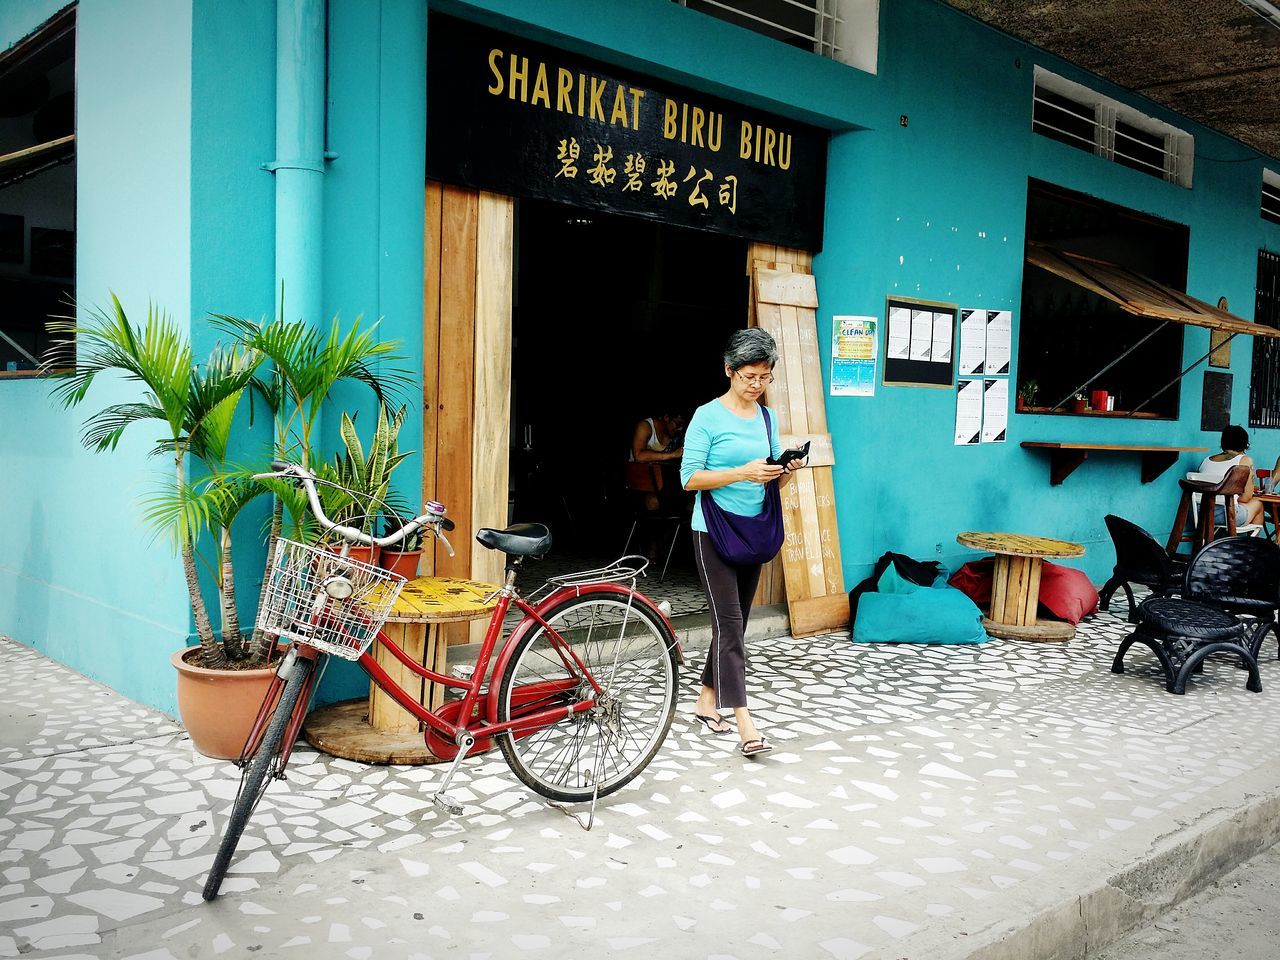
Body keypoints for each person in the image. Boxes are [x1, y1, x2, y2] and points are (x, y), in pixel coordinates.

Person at [680, 328, 805, 757]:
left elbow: (771, 478)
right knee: (730, 625)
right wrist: (741, 472)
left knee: (731, 623)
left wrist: (786, 469)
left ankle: (705, 701)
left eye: (765, 377)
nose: (757, 385)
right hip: (712, 531)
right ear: (729, 370)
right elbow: (689, 478)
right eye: (749, 376)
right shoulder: (707, 416)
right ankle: (744, 722)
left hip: (753, 533)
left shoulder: (767, 418)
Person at [1197, 424, 1264, 528]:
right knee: (1258, 504)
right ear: (1245, 444)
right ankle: (1250, 544)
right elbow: (1245, 498)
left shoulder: (1206, 460)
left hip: (1200, 513)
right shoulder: (1245, 460)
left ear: (1223, 443)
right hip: (1227, 515)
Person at [626, 412, 685, 513]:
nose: (679, 429)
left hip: (661, 482)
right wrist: (672, 454)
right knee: (653, 501)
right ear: (666, 417)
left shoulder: (675, 436)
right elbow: (639, 456)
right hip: (639, 483)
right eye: (678, 424)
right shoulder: (646, 426)